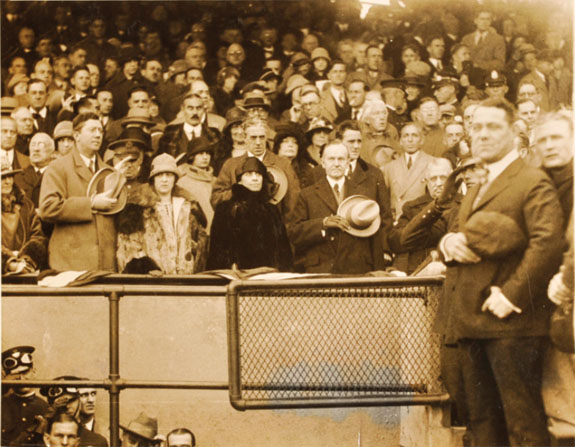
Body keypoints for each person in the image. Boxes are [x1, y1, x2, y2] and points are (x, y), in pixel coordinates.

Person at [439, 98, 563, 446]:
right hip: (471, 323)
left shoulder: (531, 180)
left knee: (522, 425)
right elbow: (467, 238)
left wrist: (511, 295)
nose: (483, 135)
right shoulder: (477, 185)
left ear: (513, 132)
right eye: (477, 127)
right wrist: (447, 244)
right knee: (482, 427)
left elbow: (548, 244)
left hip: (512, 326)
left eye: (493, 127)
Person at [288, 140, 386, 274]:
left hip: (357, 269)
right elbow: (295, 233)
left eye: (341, 159)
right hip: (321, 270)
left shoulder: (364, 193)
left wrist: (379, 272)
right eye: (331, 159)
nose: (336, 164)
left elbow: (374, 235)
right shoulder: (307, 194)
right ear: (323, 162)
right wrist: (322, 224)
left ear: (347, 162)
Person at [39, 113, 120, 271]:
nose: (98, 135)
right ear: (76, 135)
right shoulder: (58, 167)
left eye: (100, 131)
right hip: (71, 263)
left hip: (107, 265)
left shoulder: (109, 172)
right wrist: (91, 204)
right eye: (92, 130)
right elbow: (48, 208)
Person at [116, 153, 207, 275]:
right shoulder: (137, 209)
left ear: (175, 179)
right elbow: (129, 248)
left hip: (185, 279)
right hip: (152, 281)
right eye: (159, 175)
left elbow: (200, 246)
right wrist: (147, 269)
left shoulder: (188, 208)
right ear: (153, 179)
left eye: (169, 175)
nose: (164, 179)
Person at [207, 156, 293, 271]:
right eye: (248, 174)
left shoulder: (271, 210)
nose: (255, 179)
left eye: (258, 174)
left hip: (271, 278)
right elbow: (218, 252)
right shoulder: (226, 209)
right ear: (239, 180)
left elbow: (284, 251)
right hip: (238, 279)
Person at [212, 118, 300, 220]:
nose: (258, 142)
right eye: (253, 137)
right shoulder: (231, 165)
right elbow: (216, 199)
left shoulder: (282, 165)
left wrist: (282, 229)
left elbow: (293, 202)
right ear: (244, 137)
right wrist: (238, 192)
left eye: (261, 137)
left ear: (266, 137)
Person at [388, 158, 454, 274]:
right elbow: (396, 240)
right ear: (427, 182)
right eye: (433, 179)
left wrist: (417, 235)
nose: (438, 183)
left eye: (443, 178)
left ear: (452, 179)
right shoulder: (412, 207)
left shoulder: (464, 204)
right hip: (418, 271)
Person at [383, 122, 439, 221]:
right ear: (400, 141)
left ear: (421, 140)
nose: (410, 140)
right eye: (406, 136)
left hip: (421, 221)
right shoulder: (390, 167)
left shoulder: (433, 163)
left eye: (414, 135)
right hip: (396, 222)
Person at [2, 161, 47, 274]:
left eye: (10, 177)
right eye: (2, 178)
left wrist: (26, 260)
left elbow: (38, 237)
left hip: (25, 267)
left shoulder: (26, 205)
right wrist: (9, 261)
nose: (8, 182)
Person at [1, 346, 50, 447]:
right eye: (16, 375)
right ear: (5, 376)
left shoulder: (45, 408)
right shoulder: (2, 405)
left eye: (25, 372)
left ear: (34, 371)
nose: (22, 378)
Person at [40, 379, 108, 447]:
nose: (67, 406)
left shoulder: (96, 442)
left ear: (79, 401)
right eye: (61, 403)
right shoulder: (39, 440)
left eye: (71, 401)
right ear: (52, 406)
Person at [177, 136, 216, 232]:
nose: (205, 157)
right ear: (191, 157)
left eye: (208, 153)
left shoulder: (215, 180)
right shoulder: (183, 181)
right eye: (200, 154)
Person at [19, 132, 55, 207]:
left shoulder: (57, 175)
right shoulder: (19, 176)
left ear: (52, 152)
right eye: (33, 145)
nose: (36, 149)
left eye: (41, 145)